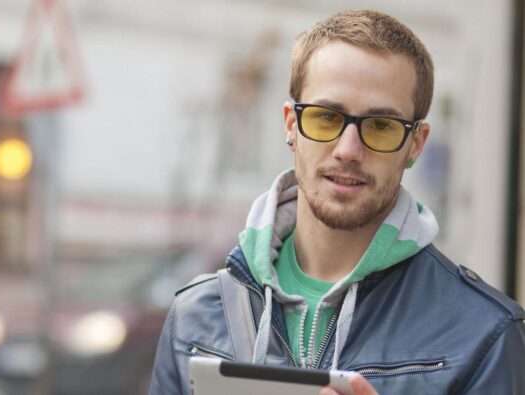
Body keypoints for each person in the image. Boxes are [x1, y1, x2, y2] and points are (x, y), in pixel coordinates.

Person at [149, 9, 525, 395]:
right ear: (291, 125)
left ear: (416, 144)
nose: (348, 150)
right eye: (326, 118)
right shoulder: (195, 317)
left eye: (381, 126)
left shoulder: (482, 336)